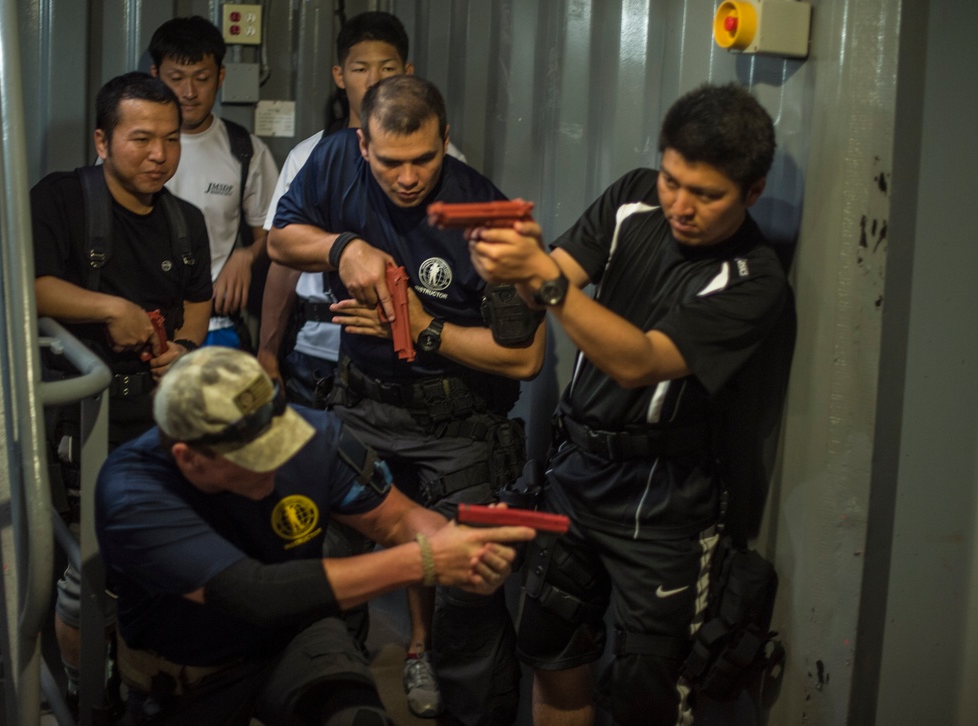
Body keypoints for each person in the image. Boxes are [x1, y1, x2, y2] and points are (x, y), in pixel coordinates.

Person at [468, 83, 794, 726]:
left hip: (665, 504)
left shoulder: (754, 281)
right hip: (578, 471)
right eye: (674, 180)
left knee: (651, 694)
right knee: (553, 658)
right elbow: (541, 288)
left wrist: (546, 280)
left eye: (706, 194)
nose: (681, 204)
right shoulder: (632, 197)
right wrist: (507, 265)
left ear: (751, 192)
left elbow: (639, 360)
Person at [269, 75, 546, 725]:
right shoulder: (334, 160)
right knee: (323, 574)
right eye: (391, 162)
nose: (409, 177)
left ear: (446, 140)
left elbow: (526, 358)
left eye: (425, 158)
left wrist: (423, 327)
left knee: (466, 602)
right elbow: (282, 243)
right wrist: (344, 247)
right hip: (362, 406)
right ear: (363, 144)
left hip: (460, 427)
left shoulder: (492, 220)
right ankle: (333, 706)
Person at [96, 346, 535, 725]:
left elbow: (398, 522)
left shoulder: (316, 436)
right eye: (256, 456)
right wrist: (425, 560)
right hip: (187, 669)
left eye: (277, 440)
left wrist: (464, 545)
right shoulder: (134, 492)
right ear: (189, 458)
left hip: (294, 637)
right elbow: (253, 592)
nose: (277, 462)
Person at [31, 71, 213, 711]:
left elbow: (198, 303)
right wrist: (110, 307)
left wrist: (185, 350)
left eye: (171, 139)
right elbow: (29, 285)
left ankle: (137, 689)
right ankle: (85, 695)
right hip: (77, 421)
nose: (159, 155)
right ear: (103, 141)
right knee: (88, 570)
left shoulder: (187, 223)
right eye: (141, 139)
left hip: (157, 422)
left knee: (153, 567)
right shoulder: (60, 200)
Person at [258, 10, 466, 407]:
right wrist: (267, 352)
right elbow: (282, 258)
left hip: (408, 353)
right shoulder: (310, 156)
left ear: (407, 72)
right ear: (340, 75)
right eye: (360, 68)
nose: (374, 80)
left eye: (386, 67)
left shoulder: (446, 160)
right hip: (318, 346)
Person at [149, 15, 279, 349]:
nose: (188, 92)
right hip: (142, 326)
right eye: (175, 78)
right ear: (155, 77)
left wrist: (247, 255)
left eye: (201, 78)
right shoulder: (130, 149)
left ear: (220, 77)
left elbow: (275, 235)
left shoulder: (245, 150)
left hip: (215, 328)